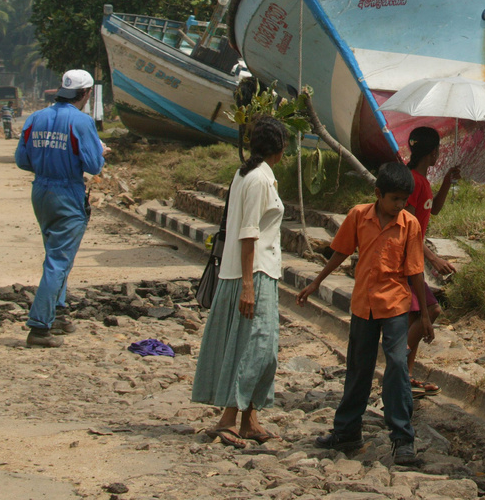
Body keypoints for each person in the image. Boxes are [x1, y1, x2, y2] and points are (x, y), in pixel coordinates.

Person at [296, 162, 431, 465]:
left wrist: (422, 314)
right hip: (363, 305)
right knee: (358, 367)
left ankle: (402, 438)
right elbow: (341, 251)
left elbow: (415, 271)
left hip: (395, 304)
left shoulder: (409, 225)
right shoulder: (358, 216)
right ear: (378, 194)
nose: (399, 205)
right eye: (394, 199)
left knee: (396, 365)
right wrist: (316, 282)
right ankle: (346, 431)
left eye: (403, 200)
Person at [191, 116, 288, 447]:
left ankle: (250, 418)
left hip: (243, 272)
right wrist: (249, 284)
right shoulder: (259, 180)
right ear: (281, 148)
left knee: (251, 346)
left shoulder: (244, 174)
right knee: (255, 348)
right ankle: (230, 418)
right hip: (255, 273)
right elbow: (250, 234)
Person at [14, 70, 106, 348]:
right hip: (67, 192)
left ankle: (59, 314)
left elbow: (22, 159)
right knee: (58, 261)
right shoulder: (81, 122)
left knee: (55, 254)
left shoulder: (36, 118)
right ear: (87, 93)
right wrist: (101, 151)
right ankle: (40, 326)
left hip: (41, 191)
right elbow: (93, 165)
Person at [404, 127, 460, 396]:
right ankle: (397, 373)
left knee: (417, 316)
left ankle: (406, 375)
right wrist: (433, 258)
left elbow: (434, 209)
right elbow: (408, 228)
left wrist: (447, 181)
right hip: (407, 260)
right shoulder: (413, 182)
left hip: (415, 257)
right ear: (433, 151)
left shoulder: (422, 182)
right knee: (431, 311)